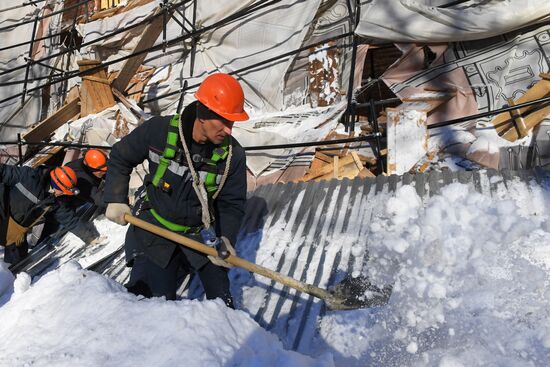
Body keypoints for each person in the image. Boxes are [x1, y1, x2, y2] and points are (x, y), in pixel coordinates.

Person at [104, 73, 249, 308]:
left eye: (231, 122)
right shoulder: (159, 132)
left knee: (224, 308)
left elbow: (231, 203)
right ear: (202, 113)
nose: (229, 130)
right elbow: (121, 156)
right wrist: (115, 197)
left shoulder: (232, 156)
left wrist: (226, 238)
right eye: (223, 121)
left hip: (199, 235)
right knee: (156, 304)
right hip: (156, 228)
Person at [0, 164, 98, 266]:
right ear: (56, 183)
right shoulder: (27, 176)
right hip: (2, 215)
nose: (63, 194)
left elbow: (70, 220)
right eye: (62, 191)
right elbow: (3, 170)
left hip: (17, 231)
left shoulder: (56, 201)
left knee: (17, 264)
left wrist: (90, 237)